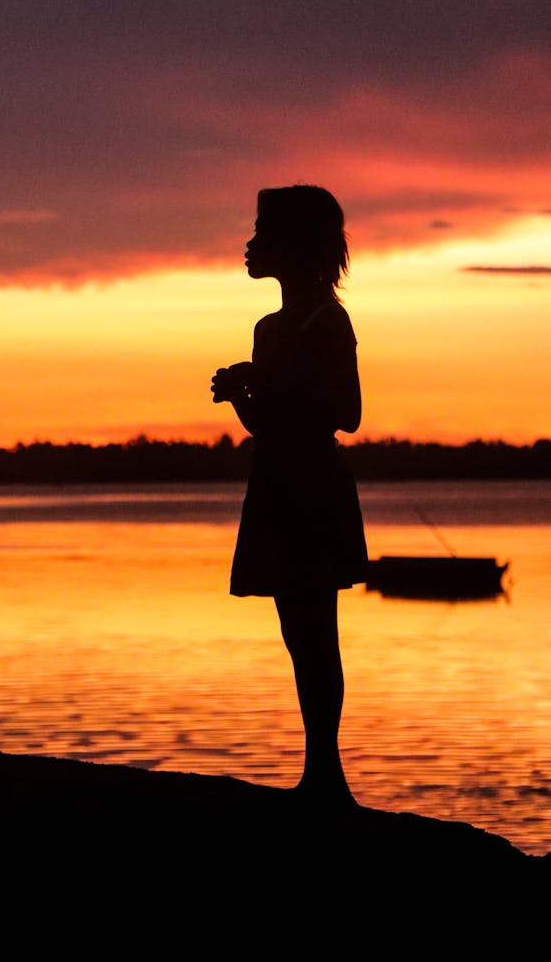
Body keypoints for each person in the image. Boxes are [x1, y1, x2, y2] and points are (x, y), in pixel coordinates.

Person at [211, 184, 368, 812]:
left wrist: (268, 386)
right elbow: (270, 425)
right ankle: (318, 773)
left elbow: (347, 413)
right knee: (295, 633)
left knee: (317, 629)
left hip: (313, 488)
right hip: (276, 482)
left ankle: (326, 776)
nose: (250, 244)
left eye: (262, 232)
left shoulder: (328, 321)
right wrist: (244, 396)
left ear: (296, 246)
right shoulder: (268, 327)